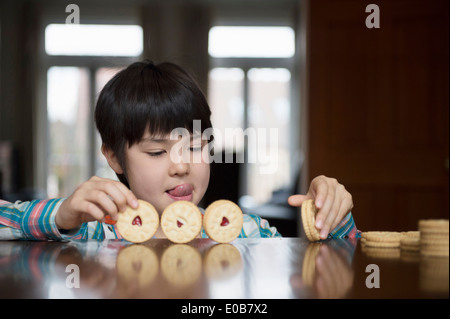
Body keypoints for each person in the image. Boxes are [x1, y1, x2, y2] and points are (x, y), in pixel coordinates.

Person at [0, 60, 359, 241]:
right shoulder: (93, 234)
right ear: (112, 156)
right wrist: (61, 215)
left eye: (195, 146)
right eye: (157, 152)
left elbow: (337, 267)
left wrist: (334, 217)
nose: (182, 166)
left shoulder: (247, 233)